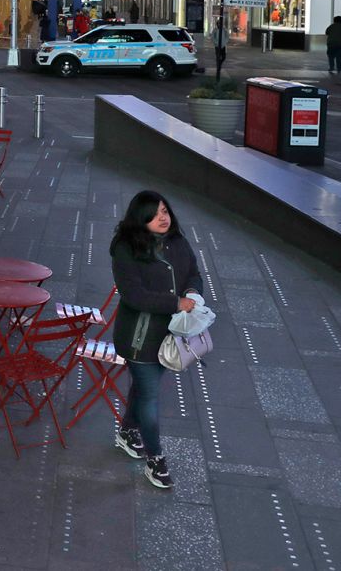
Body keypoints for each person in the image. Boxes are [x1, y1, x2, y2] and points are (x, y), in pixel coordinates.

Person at [109, 191, 206, 491]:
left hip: (171, 335)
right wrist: (176, 303)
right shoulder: (125, 249)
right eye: (154, 214)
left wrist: (192, 293)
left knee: (143, 386)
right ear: (140, 218)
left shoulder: (177, 241)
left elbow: (193, 273)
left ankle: (126, 432)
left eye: (165, 210)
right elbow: (134, 296)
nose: (163, 217)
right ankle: (156, 459)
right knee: (149, 396)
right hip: (140, 337)